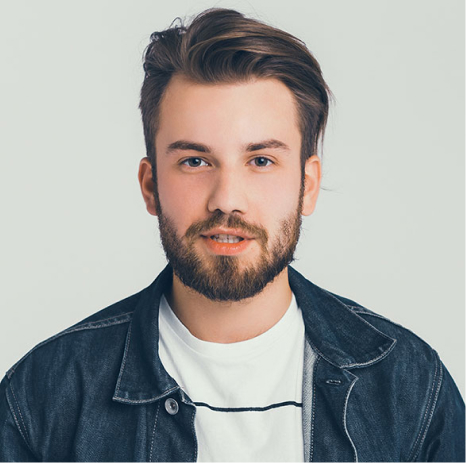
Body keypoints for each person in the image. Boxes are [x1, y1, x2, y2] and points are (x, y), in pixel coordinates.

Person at [0, 7, 464, 462]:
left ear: (307, 186)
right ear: (151, 186)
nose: (226, 199)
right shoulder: (43, 395)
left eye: (261, 161)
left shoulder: (410, 387)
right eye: (195, 161)